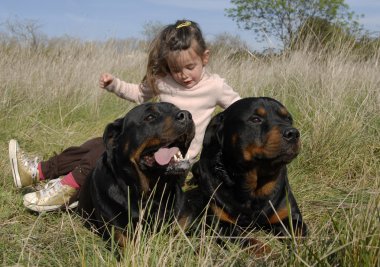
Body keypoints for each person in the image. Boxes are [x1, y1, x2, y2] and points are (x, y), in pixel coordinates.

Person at [9, 19, 241, 213]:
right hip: (151, 151)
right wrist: (115, 85)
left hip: (174, 162)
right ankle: (38, 171)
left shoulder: (216, 86)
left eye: (190, 66)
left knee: (107, 153)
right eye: (175, 69)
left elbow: (239, 109)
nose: (183, 75)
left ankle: (69, 187)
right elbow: (139, 94)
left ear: (205, 57)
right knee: (98, 144)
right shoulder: (163, 81)